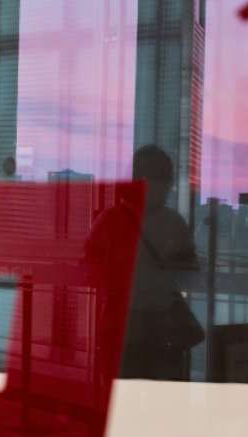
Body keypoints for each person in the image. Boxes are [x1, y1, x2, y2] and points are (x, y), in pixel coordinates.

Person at [88, 145, 201, 380]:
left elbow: (90, 267)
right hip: (161, 325)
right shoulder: (174, 223)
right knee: (160, 393)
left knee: (120, 388)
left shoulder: (109, 220)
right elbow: (189, 274)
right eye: (165, 180)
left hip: (119, 321)